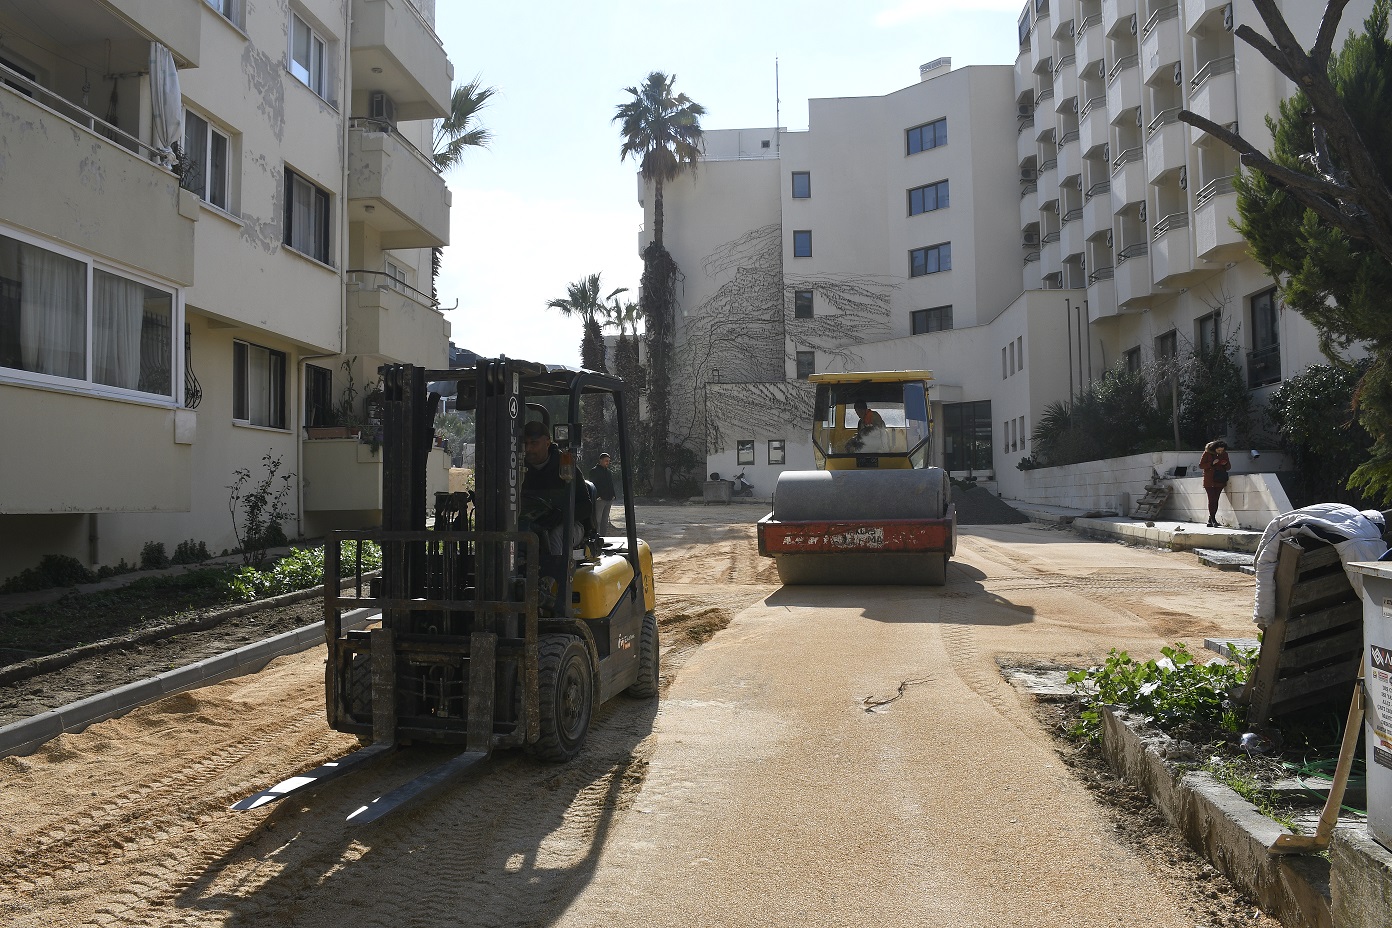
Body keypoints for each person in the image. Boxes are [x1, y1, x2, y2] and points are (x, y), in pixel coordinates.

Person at [520, 420, 593, 599]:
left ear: (547, 442)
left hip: (570, 525)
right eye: (525, 444)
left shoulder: (566, 465)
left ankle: (546, 588)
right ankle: (516, 578)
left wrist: (562, 514)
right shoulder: (517, 468)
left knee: (556, 534)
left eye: (534, 443)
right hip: (535, 525)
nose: (529, 449)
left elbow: (586, 507)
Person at [1198, 439, 1231, 528]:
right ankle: (1213, 519)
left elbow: (1228, 467)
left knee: (1216, 499)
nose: (1220, 452)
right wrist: (1212, 463)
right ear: (1214, 448)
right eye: (1218, 450)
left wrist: (1225, 464)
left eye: (1222, 450)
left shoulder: (1225, 454)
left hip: (1220, 480)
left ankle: (1211, 519)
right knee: (1211, 499)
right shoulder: (1207, 453)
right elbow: (1201, 465)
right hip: (1209, 480)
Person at [588, 452, 616, 534]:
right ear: (601, 460)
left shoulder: (608, 472)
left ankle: (603, 537)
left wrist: (613, 495)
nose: (607, 462)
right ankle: (596, 536)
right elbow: (593, 484)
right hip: (600, 500)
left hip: (609, 499)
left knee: (605, 520)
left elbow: (611, 484)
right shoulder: (594, 471)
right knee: (597, 520)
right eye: (606, 461)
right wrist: (597, 496)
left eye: (608, 461)